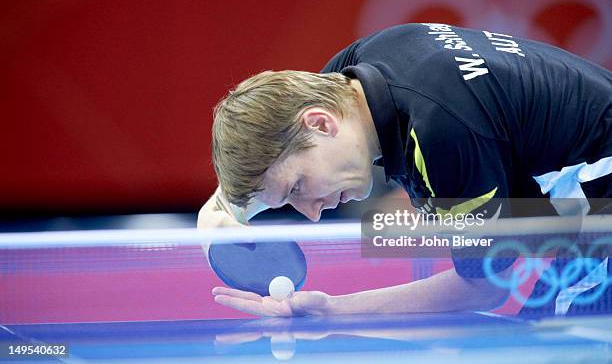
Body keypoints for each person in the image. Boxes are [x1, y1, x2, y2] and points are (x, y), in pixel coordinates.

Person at [198, 23, 612, 317]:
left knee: (552, 346)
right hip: (579, 199)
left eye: (298, 187)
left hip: (602, 204)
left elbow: (483, 289)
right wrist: (221, 208)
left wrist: (331, 310)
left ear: (320, 124)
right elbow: (268, 138)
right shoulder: (355, 70)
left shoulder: (442, 135)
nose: (311, 211)